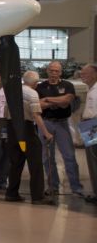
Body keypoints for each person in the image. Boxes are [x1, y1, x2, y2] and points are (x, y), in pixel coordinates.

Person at [5, 71, 55, 205]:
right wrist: (46, 133)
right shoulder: (32, 93)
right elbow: (36, 115)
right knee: (35, 164)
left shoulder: (12, 92)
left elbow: (5, 111)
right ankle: (38, 196)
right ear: (35, 83)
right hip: (26, 130)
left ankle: (11, 193)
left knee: (16, 162)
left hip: (12, 128)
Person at [36, 61, 84, 196]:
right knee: (47, 157)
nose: (54, 73)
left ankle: (76, 187)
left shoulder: (67, 85)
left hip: (62, 124)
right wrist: (57, 101)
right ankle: (53, 186)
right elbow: (38, 105)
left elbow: (66, 101)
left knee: (69, 156)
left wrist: (47, 100)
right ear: (47, 71)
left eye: (56, 71)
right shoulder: (40, 87)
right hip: (46, 123)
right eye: (51, 70)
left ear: (60, 72)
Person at [79, 63, 97, 204]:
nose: (82, 75)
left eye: (85, 73)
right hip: (89, 125)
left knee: (94, 159)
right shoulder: (91, 88)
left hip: (93, 125)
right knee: (92, 160)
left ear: (94, 74)